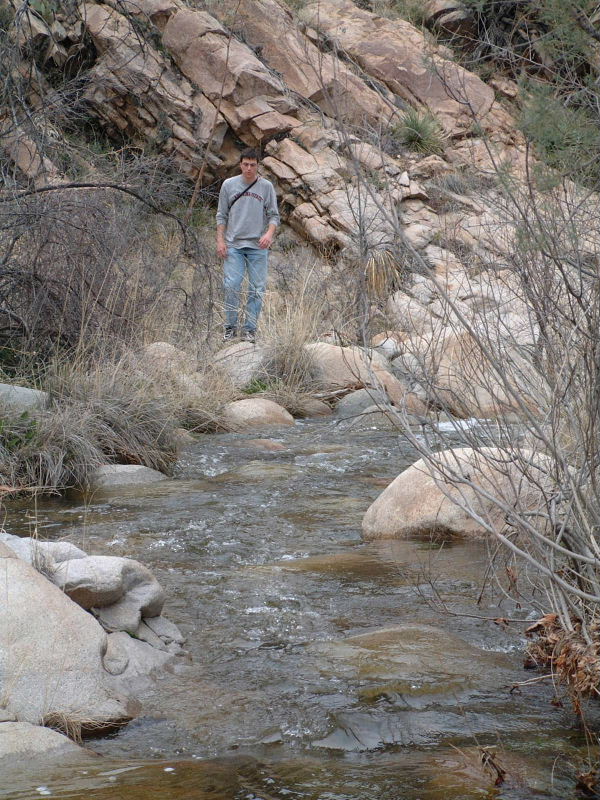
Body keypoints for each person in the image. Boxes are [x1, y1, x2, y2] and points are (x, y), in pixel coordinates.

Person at [216, 148, 280, 343]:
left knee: (257, 288)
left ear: (258, 165)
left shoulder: (266, 187)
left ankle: (250, 329)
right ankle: (230, 327)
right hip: (233, 244)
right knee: (232, 286)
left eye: (253, 165)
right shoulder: (229, 185)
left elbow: (274, 215)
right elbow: (221, 214)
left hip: (257, 246)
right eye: (246, 164)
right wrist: (220, 240)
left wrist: (268, 234)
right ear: (240, 164)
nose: (249, 168)